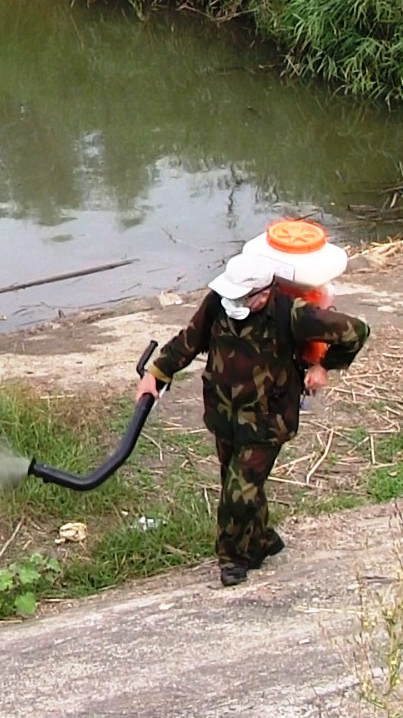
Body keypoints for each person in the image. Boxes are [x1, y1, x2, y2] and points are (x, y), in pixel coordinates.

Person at [134, 251, 369, 587]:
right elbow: (189, 341)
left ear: (263, 294)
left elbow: (355, 331)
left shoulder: (291, 313)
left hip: (267, 420)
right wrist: (156, 374)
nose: (234, 303)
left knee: (238, 492)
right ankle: (259, 541)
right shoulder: (219, 303)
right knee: (241, 483)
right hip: (224, 415)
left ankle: (233, 559)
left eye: (243, 297)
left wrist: (323, 367)